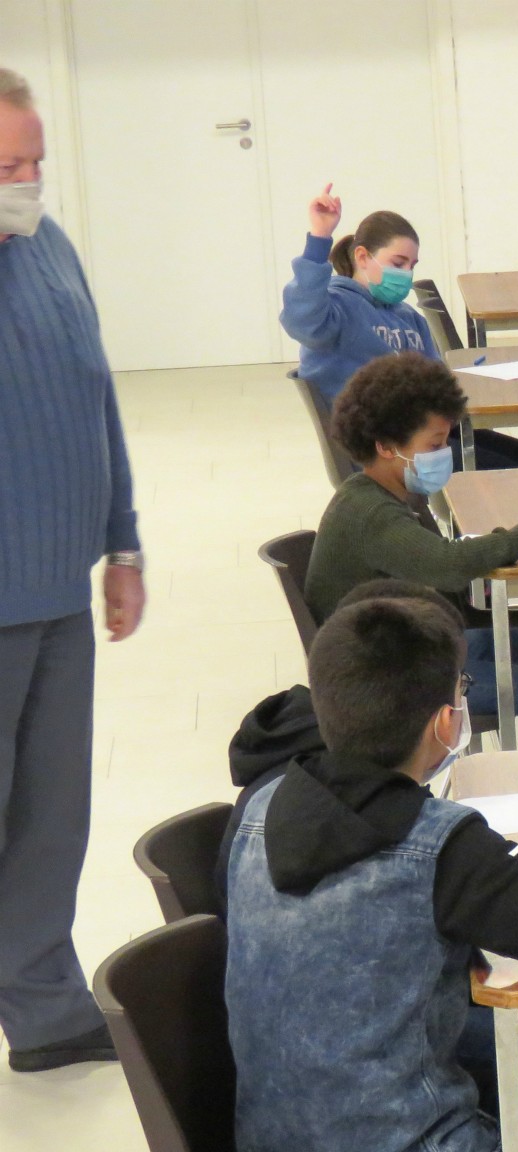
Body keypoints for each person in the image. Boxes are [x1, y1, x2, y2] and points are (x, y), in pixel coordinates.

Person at [224, 592, 518, 1152]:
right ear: (445, 722)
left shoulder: (260, 804)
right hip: (415, 1140)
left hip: (273, 1134)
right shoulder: (441, 844)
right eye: (462, 690)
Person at [0, 67, 145, 1074]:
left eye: (36, 161)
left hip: (55, 583)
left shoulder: (50, 249)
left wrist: (123, 544)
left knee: (54, 810)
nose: (30, 181)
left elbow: (97, 398)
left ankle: (44, 1008)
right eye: (9, 165)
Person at [305, 352, 518, 748]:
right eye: (436, 444)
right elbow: (447, 566)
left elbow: (438, 560)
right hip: (394, 678)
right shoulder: (371, 513)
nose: (444, 454)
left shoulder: (394, 493)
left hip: (417, 645)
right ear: (387, 446)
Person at [280, 185, 518, 470]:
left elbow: (435, 380)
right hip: (387, 447)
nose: (406, 274)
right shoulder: (337, 309)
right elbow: (303, 318)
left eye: (412, 265)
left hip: (426, 432)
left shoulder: (408, 317)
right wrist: (320, 237)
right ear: (362, 258)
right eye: (398, 263)